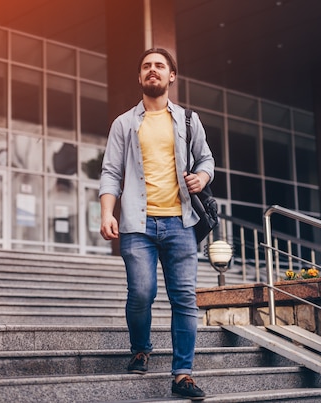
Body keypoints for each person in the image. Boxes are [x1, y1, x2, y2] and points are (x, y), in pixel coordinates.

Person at [99, 48, 214, 400]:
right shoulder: (124, 123)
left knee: (183, 299)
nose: (153, 70)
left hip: (181, 223)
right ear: (139, 77)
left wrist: (202, 177)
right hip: (137, 224)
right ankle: (140, 347)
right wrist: (107, 213)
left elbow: (206, 159)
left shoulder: (188, 120)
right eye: (147, 66)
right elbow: (111, 172)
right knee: (142, 293)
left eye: (160, 66)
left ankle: (182, 374)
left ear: (171, 76)